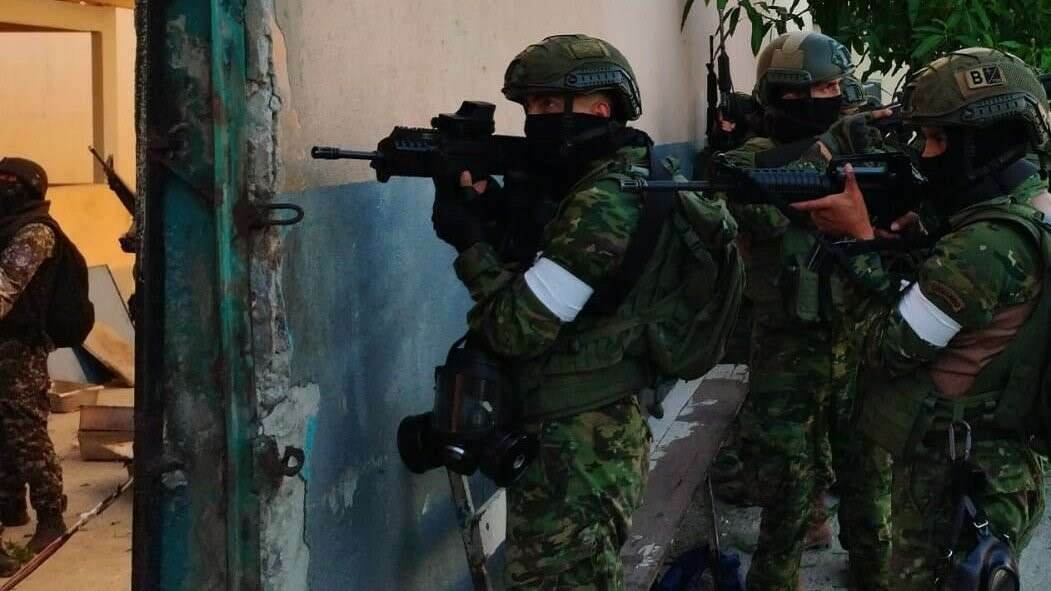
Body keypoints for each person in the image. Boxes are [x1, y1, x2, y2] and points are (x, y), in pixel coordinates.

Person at [793, 47, 1051, 589]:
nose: (925, 155)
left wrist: (859, 244)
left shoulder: (984, 246)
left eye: (936, 139)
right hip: (1000, 460)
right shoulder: (1032, 204)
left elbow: (884, 349)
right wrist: (920, 238)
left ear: (985, 143)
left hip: (956, 473)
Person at [430, 34, 654, 589]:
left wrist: (471, 245)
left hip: (581, 449)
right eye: (529, 106)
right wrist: (496, 215)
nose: (535, 118)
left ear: (599, 109)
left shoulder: (606, 201)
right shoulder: (592, 183)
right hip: (575, 434)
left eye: (550, 103)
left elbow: (516, 330)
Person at [713, 31, 892, 590]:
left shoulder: (855, 151)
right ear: (786, 94)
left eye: (839, 88)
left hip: (856, 344)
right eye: (823, 89)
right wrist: (830, 146)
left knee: (869, 481)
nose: (836, 98)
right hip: (786, 352)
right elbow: (755, 210)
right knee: (785, 492)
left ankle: (874, 574)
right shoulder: (748, 161)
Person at [0, 157, 70, 567]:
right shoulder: (7, 227)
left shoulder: (35, 232)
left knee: (26, 433)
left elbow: (6, 286)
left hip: (20, 351)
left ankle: (51, 517)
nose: (2, 186)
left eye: (9, 181)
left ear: (29, 188)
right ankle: (10, 506)